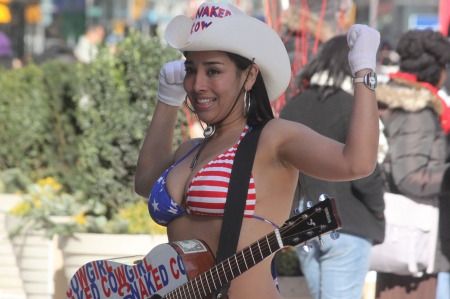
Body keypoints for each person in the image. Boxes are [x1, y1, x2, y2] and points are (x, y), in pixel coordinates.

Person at [134, 2, 380, 299]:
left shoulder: (272, 138)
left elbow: (357, 163)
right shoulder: (190, 150)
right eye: (191, 69)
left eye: (213, 70)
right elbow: (144, 182)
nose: (197, 84)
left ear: (250, 76)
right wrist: (167, 99)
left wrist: (363, 72)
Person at [279, 35, 385, 299]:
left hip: (302, 226)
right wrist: (379, 213)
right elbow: (366, 174)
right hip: (346, 223)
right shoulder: (354, 108)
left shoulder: (293, 106)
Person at [375, 29, 450, 299]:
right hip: (412, 232)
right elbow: (410, 176)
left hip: (400, 230)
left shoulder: (393, 97)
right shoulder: (416, 109)